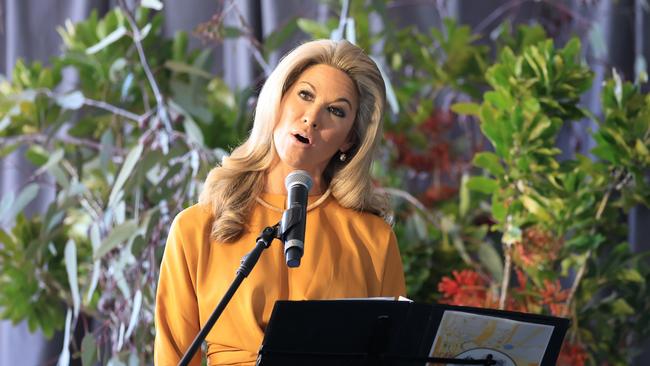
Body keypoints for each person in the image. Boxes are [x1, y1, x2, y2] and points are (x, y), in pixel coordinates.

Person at [154, 39, 406, 365]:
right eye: (305, 95)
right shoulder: (196, 227)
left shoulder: (374, 239)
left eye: (336, 111)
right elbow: (172, 356)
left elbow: (396, 355)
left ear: (350, 139)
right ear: (278, 100)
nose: (312, 118)